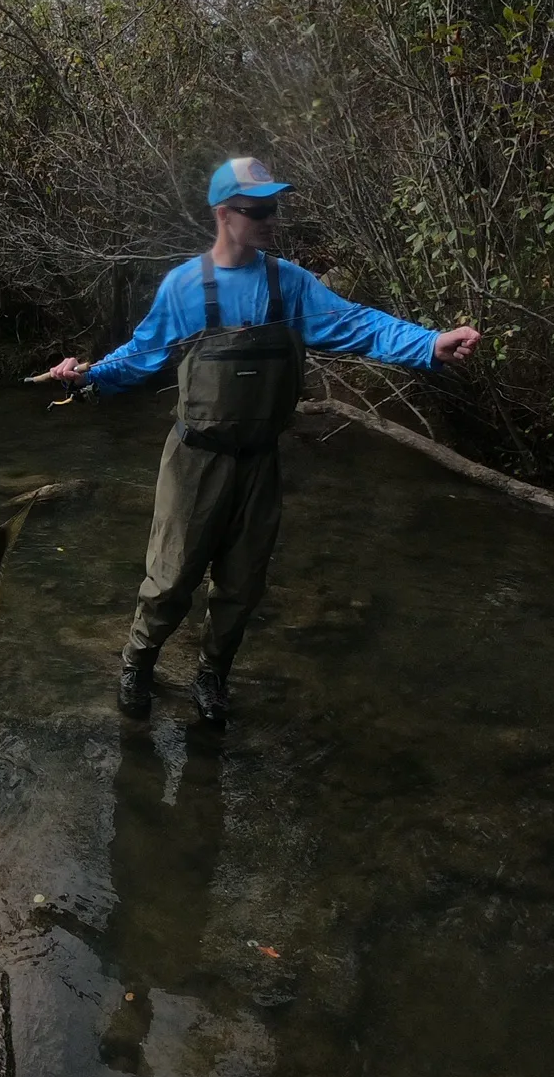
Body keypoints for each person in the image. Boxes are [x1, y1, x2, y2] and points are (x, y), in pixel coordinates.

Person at [47, 156, 480, 723]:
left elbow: (359, 324)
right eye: (259, 210)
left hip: (260, 462)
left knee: (242, 584)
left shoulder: (290, 284)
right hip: (194, 460)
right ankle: (139, 662)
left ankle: (213, 675)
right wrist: (88, 378)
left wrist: (428, 345)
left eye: (275, 207)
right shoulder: (184, 287)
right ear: (224, 214)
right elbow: (142, 353)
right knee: (171, 577)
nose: (272, 219)